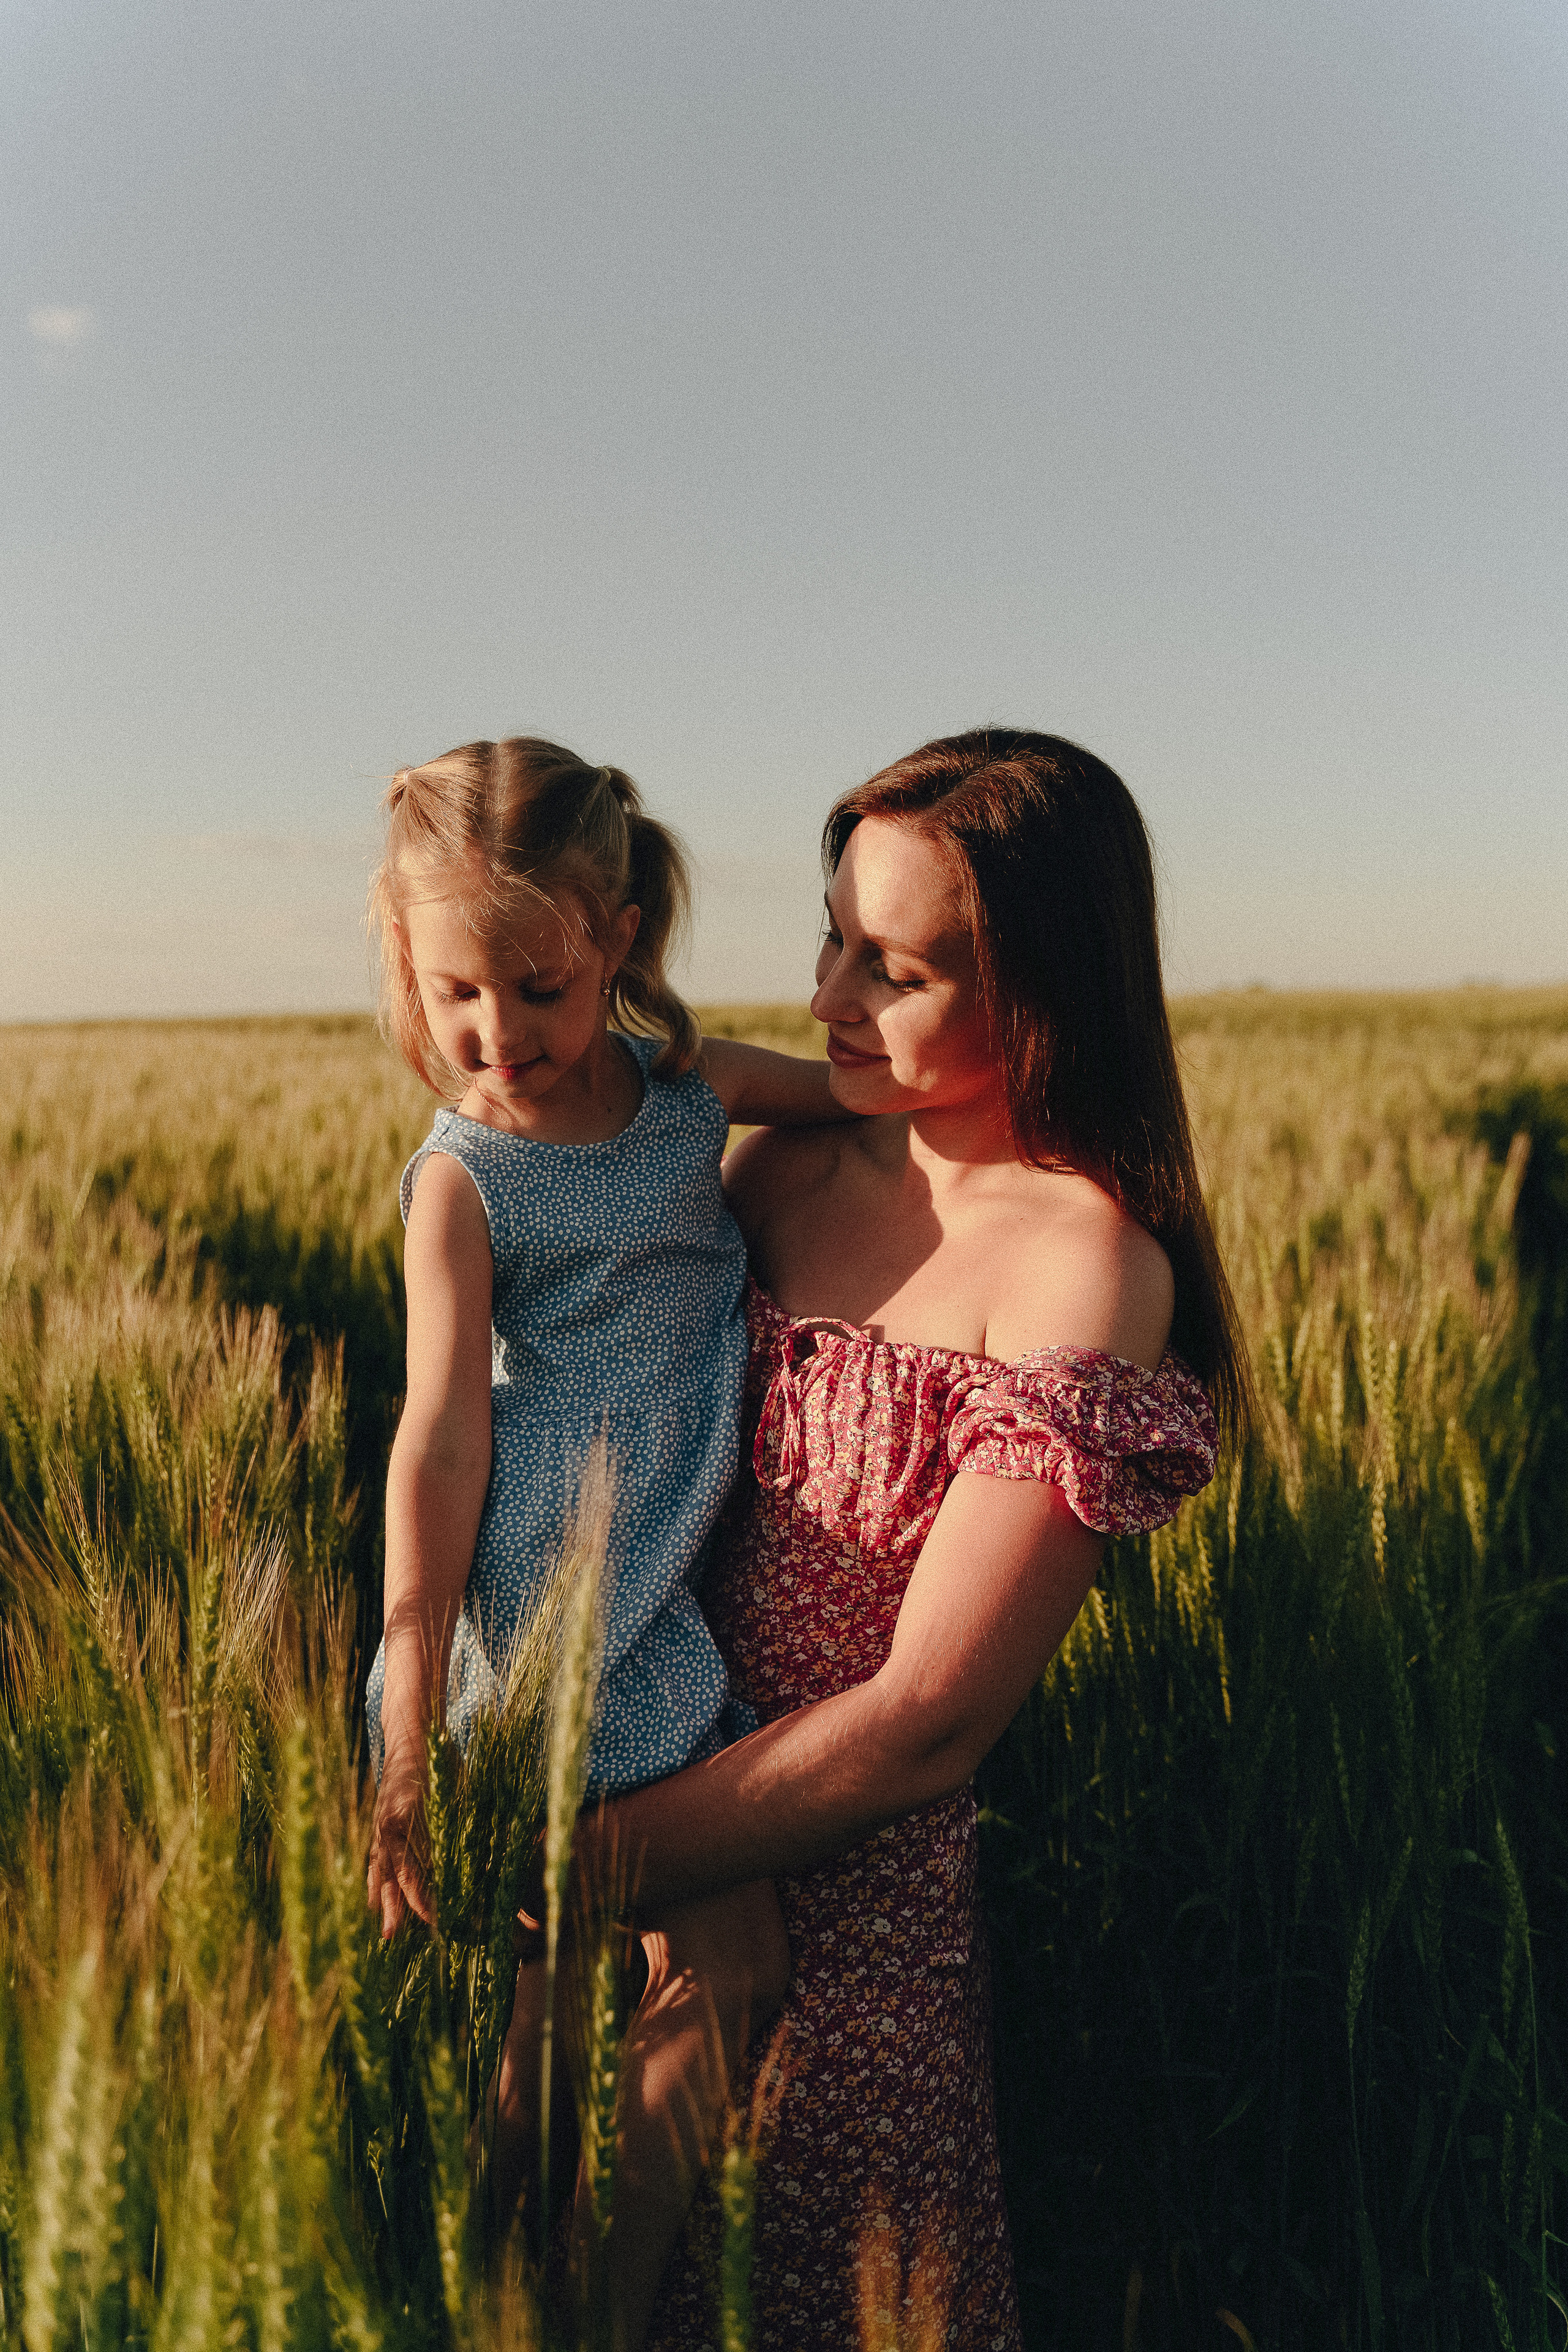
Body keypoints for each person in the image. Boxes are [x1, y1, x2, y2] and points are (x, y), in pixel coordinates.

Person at [572, 729, 1248, 2348]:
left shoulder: (1089, 1266)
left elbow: (929, 1717)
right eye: (832, 940)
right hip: (619, 1899)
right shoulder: (771, 1169)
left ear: (1045, 982)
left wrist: (589, 1866)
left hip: (839, 1961)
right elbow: (582, 1412)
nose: (826, 1003)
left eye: (895, 969)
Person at [360, 736, 846, 2350]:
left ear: (618, 941)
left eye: (540, 987)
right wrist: (413, 1678)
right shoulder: (463, 1179)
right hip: (544, 1600)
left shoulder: (688, 1099)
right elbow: (437, 1430)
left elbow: (867, 1096)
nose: (498, 1034)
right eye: (459, 997)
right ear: (411, 976)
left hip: (654, 1582)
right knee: (651, 1972)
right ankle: (570, 2310)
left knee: (630, 1973)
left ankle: (563, 2303)